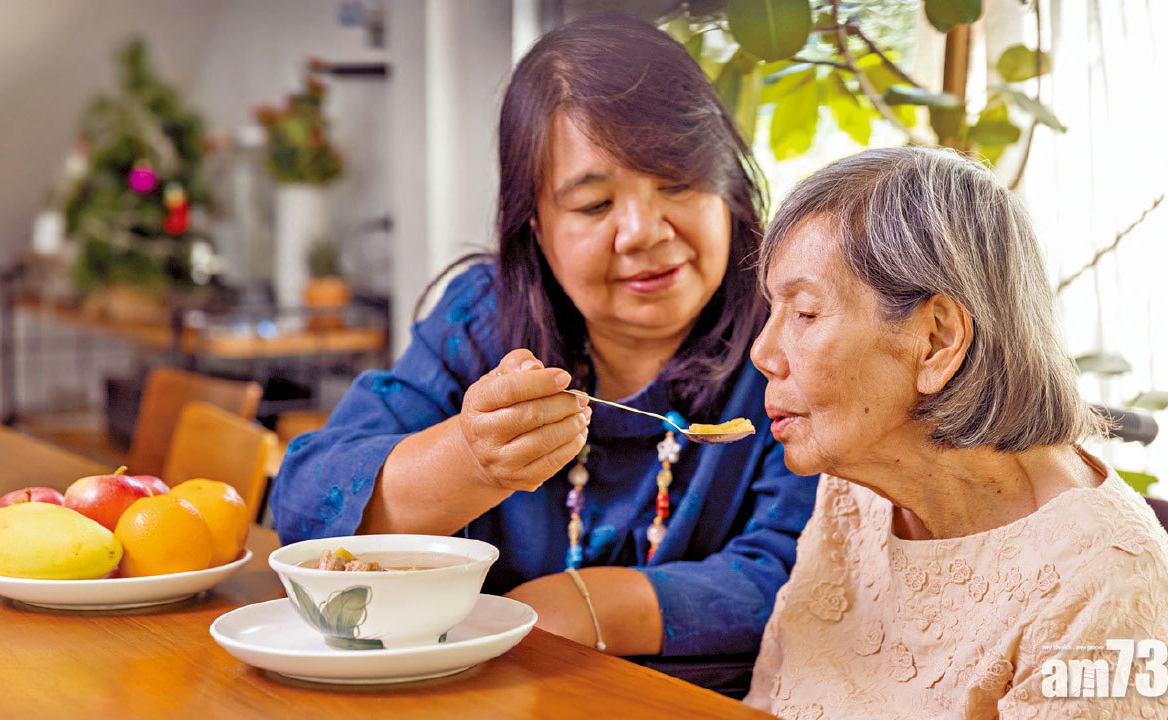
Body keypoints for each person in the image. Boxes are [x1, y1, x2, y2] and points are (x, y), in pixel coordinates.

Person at [270, 15, 816, 691]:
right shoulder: (484, 319)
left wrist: (584, 606)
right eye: (594, 205)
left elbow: (805, 571)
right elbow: (304, 504)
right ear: (534, 223)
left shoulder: (792, 334)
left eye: (676, 183)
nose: (643, 232)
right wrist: (472, 459)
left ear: (728, 185)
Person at [745, 147, 1168, 718]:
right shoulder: (858, 495)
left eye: (803, 313)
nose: (763, 352)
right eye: (773, 310)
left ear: (937, 341)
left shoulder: (1106, 589)